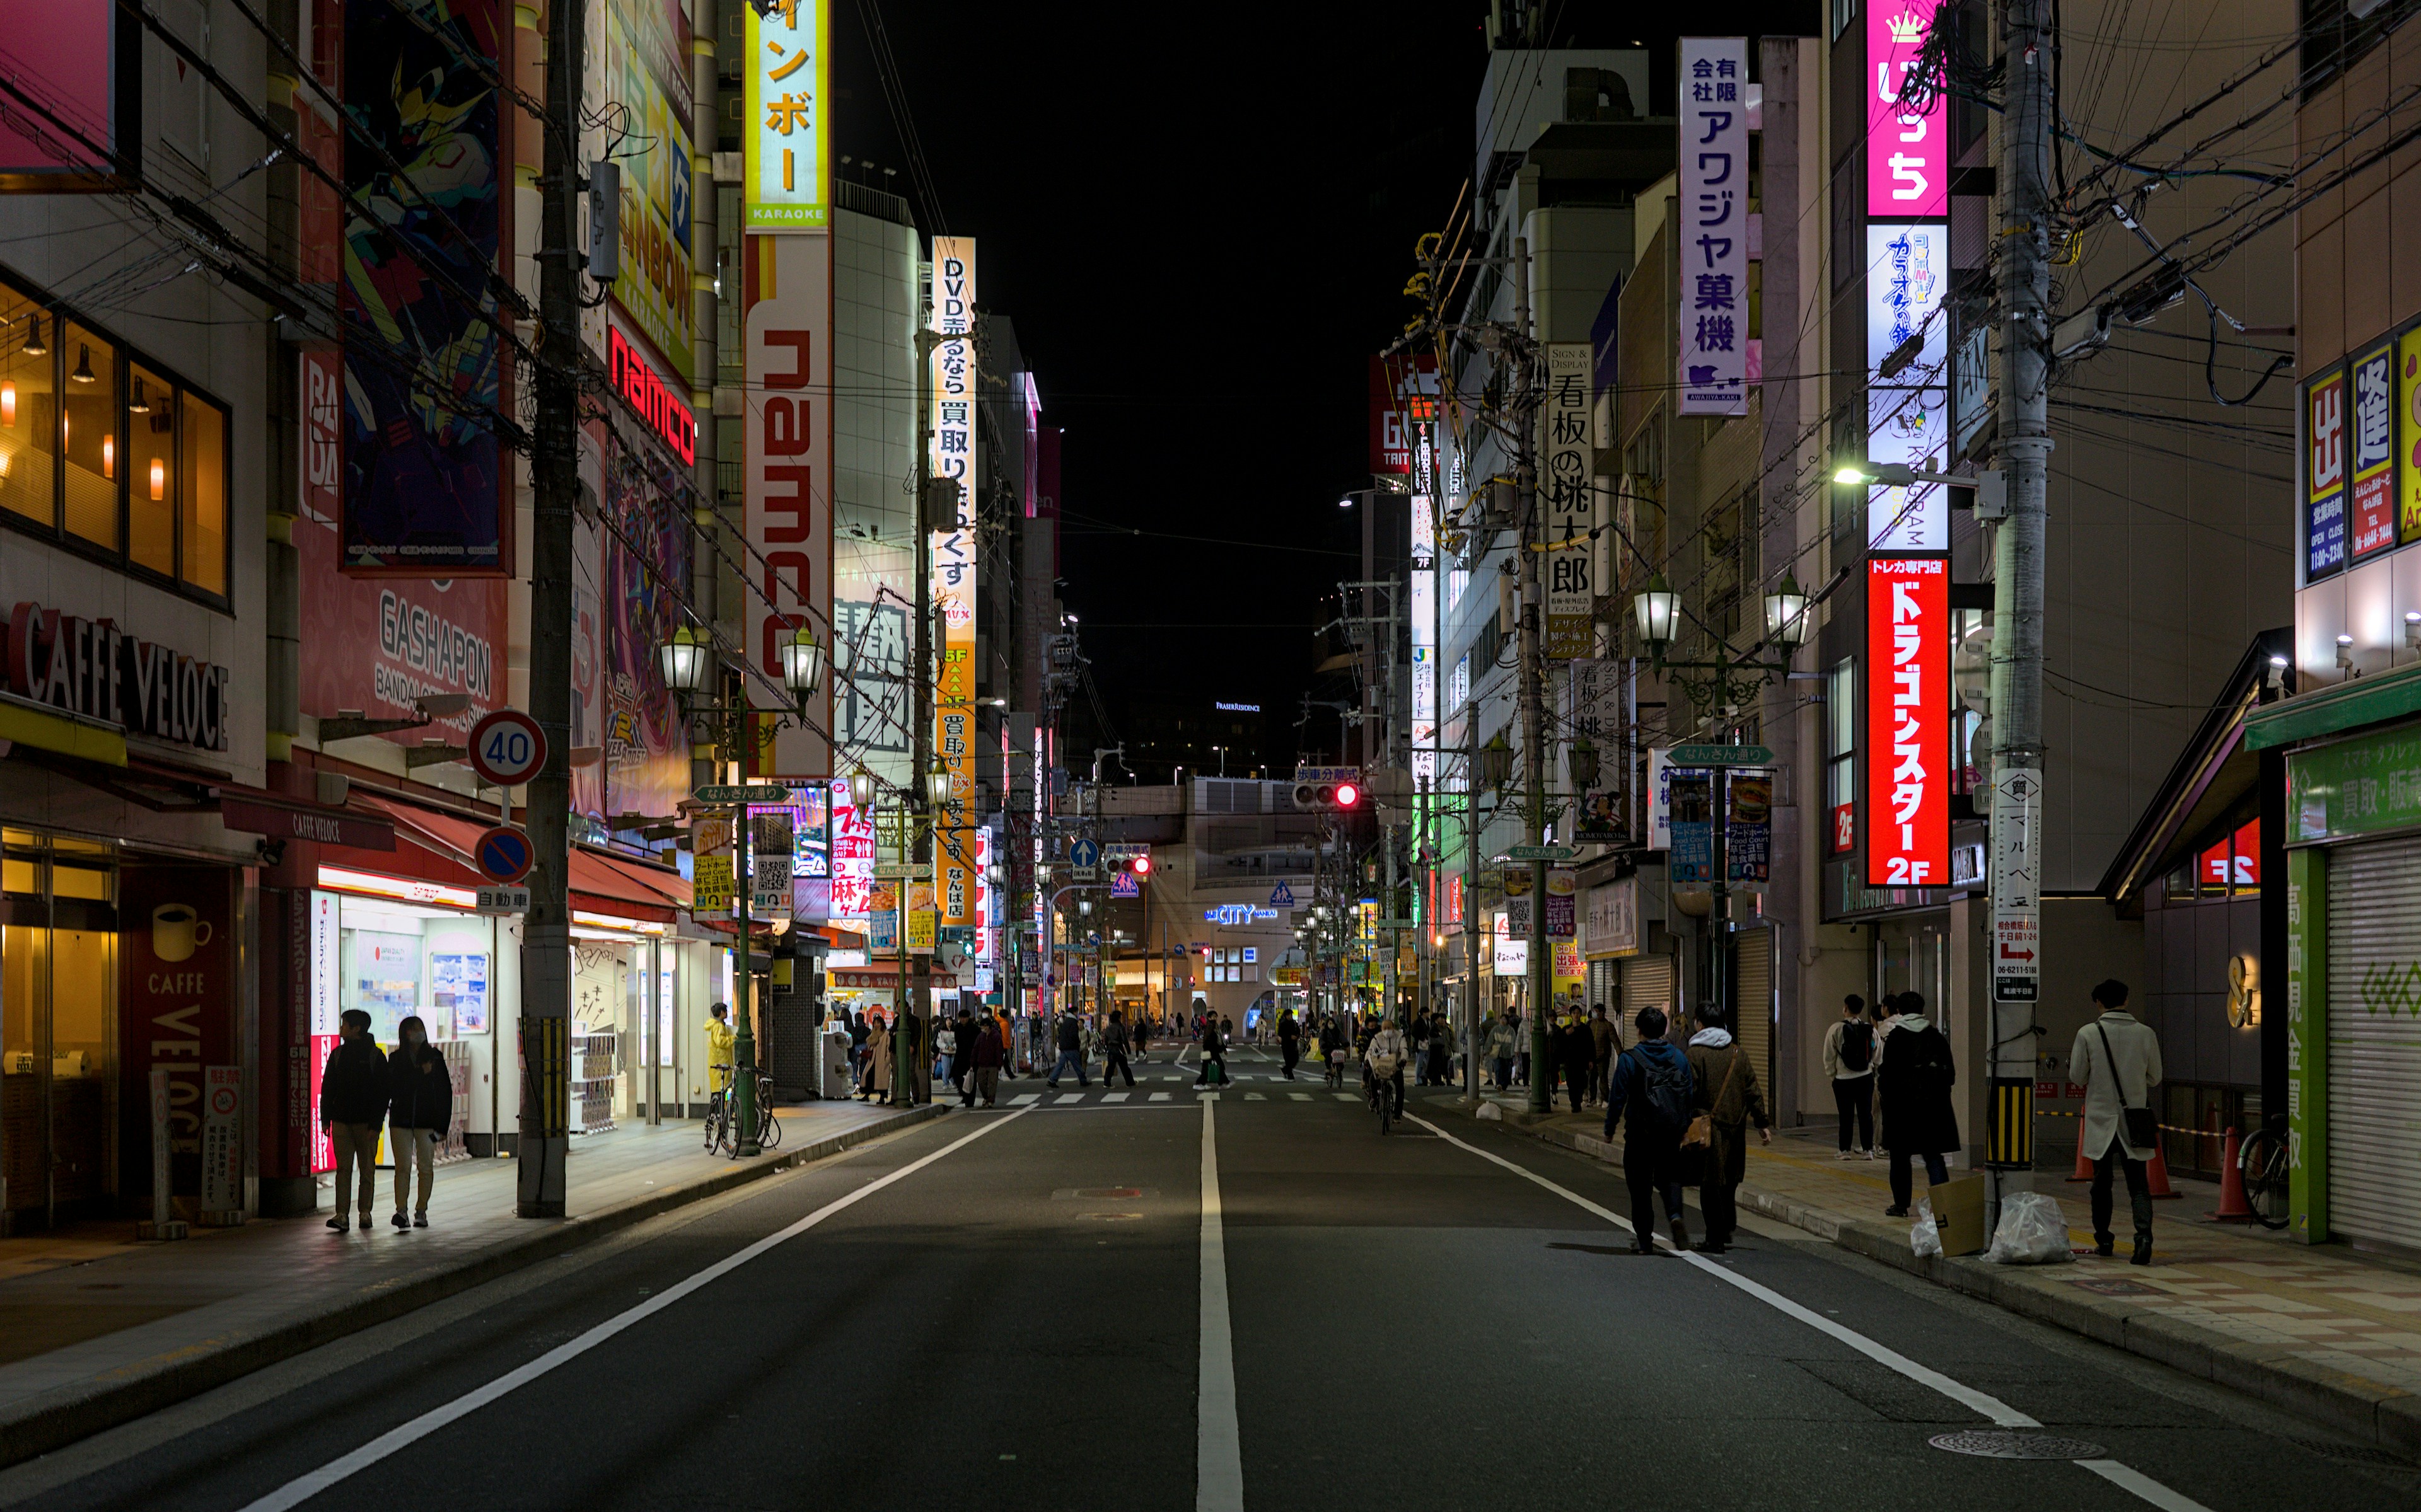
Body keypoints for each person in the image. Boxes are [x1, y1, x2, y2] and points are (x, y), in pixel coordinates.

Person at [2072, 978, 2165, 1264]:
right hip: (2133, 1121)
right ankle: (2144, 1238)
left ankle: (2104, 1239)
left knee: (2101, 1184)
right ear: (2126, 1000)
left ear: (2099, 1003)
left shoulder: (2088, 1033)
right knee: (2139, 1185)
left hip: (2101, 1120)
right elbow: (2155, 1077)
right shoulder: (2146, 1034)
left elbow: (2077, 1076)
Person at [1603, 1007, 1694, 1253]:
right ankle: (1675, 1216)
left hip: (1639, 1134)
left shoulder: (1629, 1059)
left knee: (1640, 1187)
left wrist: (1610, 1128)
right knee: (1671, 1179)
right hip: (1670, 1133)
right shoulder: (1679, 1058)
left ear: (1639, 1030)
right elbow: (1688, 1095)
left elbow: (1617, 1097)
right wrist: (1685, 1126)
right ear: (1664, 1030)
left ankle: (1644, 1241)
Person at [1683, 1017, 1774, 1254]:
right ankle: (1726, 1228)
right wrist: (1762, 1123)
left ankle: (1715, 1239)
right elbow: (1753, 1089)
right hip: (1735, 1129)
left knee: (1710, 1184)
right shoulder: (1738, 1053)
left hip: (1706, 1129)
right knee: (1729, 1180)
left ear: (1700, 1024)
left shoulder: (1694, 1054)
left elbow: (1688, 1091)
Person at [1874, 991, 1958, 1218]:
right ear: (1922, 1009)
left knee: (1900, 1158)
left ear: (1900, 1011)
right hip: (1933, 1109)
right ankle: (1943, 1206)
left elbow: (1886, 1077)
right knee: (1933, 1156)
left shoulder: (1896, 1038)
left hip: (1901, 1110)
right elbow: (1950, 1075)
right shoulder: (1936, 1037)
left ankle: (1901, 1205)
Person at [320, 1008, 388, 1233]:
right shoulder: (338, 1055)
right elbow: (328, 1088)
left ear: (356, 1028)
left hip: (366, 1124)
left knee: (366, 1170)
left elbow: (382, 1094)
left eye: (344, 1024)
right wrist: (326, 1119)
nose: (341, 1028)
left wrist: (376, 1124)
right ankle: (342, 1214)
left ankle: (364, 1212)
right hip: (341, 1121)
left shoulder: (375, 1056)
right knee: (344, 1170)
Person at [385, 1015, 451, 1230]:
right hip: (401, 1120)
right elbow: (395, 1088)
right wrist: (421, 1073)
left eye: (420, 1028)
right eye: (413, 1029)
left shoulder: (435, 1057)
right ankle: (401, 1211)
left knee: (425, 1167)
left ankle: (421, 1209)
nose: (418, 1032)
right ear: (405, 1033)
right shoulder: (396, 1059)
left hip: (427, 1121)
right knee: (402, 1167)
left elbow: (444, 1092)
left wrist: (443, 1126)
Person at [1822, 994, 1878, 1160]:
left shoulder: (1836, 1029)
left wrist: (1833, 1075)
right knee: (1866, 1115)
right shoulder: (1870, 1029)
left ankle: (1844, 1151)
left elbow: (1828, 1056)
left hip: (1843, 1079)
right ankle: (1868, 1150)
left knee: (1845, 1115)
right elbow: (1877, 1053)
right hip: (1865, 1078)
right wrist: (1871, 1068)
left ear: (1845, 1008)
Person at [1364, 1015, 1408, 1117]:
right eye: (1385, 1028)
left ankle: (1397, 1114)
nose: (1387, 1030)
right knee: (1372, 1080)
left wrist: (1403, 1060)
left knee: (1400, 1089)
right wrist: (1367, 1060)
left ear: (1393, 1028)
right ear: (1381, 1029)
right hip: (1381, 1065)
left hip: (1395, 1066)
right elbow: (1371, 1050)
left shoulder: (1400, 1037)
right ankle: (1374, 1099)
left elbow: (1404, 1049)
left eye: (1389, 1028)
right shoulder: (1377, 1037)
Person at [970, 1010, 1005, 1107]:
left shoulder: (996, 1036)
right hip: (982, 1064)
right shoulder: (980, 1036)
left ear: (988, 1026)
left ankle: (990, 1101)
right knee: (981, 1082)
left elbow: (999, 1051)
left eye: (983, 1026)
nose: (982, 1028)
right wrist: (972, 1063)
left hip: (993, 1064)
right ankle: (987, 1098)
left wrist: (999, 1064)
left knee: (992, 1084)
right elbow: (975, 1049)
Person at [1562, 1013, 1595, 1113]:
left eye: (1578, 1013)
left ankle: (1578, 1102)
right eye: (1574, 1013)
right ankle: (1574, 1103)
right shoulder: (1567, 1029)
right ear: (1571, 1015)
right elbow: (1560, 1042)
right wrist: (1566, 1034)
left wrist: (1591, 1060)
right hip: (1569, 1061)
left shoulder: (1586, 1029)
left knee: (1581, 1082)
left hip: (1581, 1061)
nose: (1576, 1015)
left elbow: (1591, 1044)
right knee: (1571, 1083)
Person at [705, 1001, 738, 1107]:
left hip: (717, 1062)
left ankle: (720, 1110)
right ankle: (724, 1108)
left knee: (720, 1089)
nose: (727, 1013)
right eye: (726, 1011)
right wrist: (733, 1038)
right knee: (725, 1089)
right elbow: (720, 1041)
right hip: (721, 1062)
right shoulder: (718, 1026)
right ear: (722, 1012)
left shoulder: (714, 1025)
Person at [1048, 1012, 1089, 1089]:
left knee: (1060, 1065)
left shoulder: (1065, 1022)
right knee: (1077, 1065)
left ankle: (1052, 1080)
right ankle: (1083, 1080)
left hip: (1064, 1047)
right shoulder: (1073, 1022)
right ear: (1074, 1013)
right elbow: (1074, 1035)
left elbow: (1061, 1034)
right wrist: (1077, 1043)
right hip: (1071, 1047)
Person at [1588, 1006, 1617, 1107]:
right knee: (1592, 1078)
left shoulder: (1608, 1026)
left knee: (1603, 1078)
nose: (1594, 1013)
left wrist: (1621, 1053)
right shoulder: (1592, 1024)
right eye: (1594, 1011)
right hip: (1592, 1056)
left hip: (1603, 1056)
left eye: (1596, 1011)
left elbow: (1615, 1040)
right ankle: (1592, 1099)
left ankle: (1606, 1099)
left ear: (1602, 1012)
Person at [863, 1012, 893, 1104]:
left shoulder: (886, 1034)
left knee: (881, 1080)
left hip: (881, 1060)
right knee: (869, 1076)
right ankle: (867, 1095)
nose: (876, 1025)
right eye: (875, 1023)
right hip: (873, 1060)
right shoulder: (873, 1034)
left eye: (878, 1023)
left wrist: (887, 1060)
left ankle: (882, 1098)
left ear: (882, 1024)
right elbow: (869, 1045)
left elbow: (888, 1047)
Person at [1102, 1009, 1137, 1088]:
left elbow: (1106, 1040)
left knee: (1110, 1067)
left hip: (1111, 1049)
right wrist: (1128, 1050)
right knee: (1124, 1067)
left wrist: (1108, 1049)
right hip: (1119, 1049)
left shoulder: (1108, 1028)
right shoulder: (1120, 1027)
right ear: (1119, 1018)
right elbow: (1124, 1039)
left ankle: (1107, 1083)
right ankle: (1130, 1082)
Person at [1195, 1012, 1227, 1087]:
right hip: (1211, 1050)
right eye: (1213, 1017)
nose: (1215, 1018)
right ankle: (1201, 1083)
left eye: (1216, 1017)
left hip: (1213, 1050)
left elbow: (1219, 1038)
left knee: (1207, 1067)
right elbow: (1209, 1039)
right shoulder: (1210, 1026)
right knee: (1217, 1066)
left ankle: (1223, 1082)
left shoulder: (1215, 1026)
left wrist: (1223, 1048)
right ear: (1209, 1018)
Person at [1277, 1008, 1301, 1079]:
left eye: (1291, 1015)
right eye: (1289, 1015)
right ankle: (1290, 1076)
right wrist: (1290, 1037)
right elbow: (1281, 1034)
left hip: (1294, 1044)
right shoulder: (1283, 1024)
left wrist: (1297, 1036)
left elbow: (1298, 1031)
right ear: (1286, 1016)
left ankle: (1285, 1070)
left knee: (1296, 1059)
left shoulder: (1294, 1023)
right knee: (1288, 1060)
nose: (1290, 1016)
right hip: (1286, 1044)